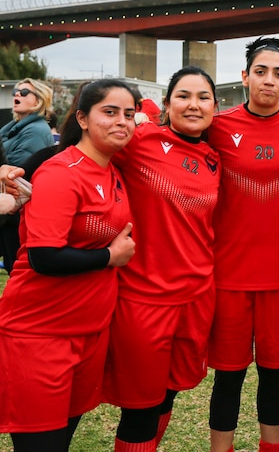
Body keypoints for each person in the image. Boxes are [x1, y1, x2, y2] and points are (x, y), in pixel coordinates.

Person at [0, 79, 138, 452]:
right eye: (109, 112)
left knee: (61, 440)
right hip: (41, 334)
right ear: (82, 117)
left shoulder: (114, 170)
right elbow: (45, 256)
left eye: (129, 114)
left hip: (89, 332)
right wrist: (109, 257)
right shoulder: (62, 171)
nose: (121, 122)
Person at [206, 37, 279, 452]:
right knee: (228, 375)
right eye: (260, 71)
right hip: (229, 278)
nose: (268, 80)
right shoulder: (218, 127)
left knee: (275, 374)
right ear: (244, 77)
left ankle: (272, 446)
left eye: (278, 74)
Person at [103, 66, 221, 452]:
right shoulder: (139, 139)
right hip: (144, 299)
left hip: (197, 298)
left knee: (169, 394)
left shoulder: (213, 158)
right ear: (167, 104)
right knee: (140, 406)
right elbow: (78, 153)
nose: (193, 104)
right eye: (183, 96)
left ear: (215, 108)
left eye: (203, 97)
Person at [0, 78, 55, 275]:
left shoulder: (35, 131)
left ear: (39, 100)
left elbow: (16, 171)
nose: (17, 94)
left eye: (24, 93)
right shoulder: (16, 128)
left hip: (15, 209)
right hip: (10, 208)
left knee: (15, 266)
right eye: (16, 91)